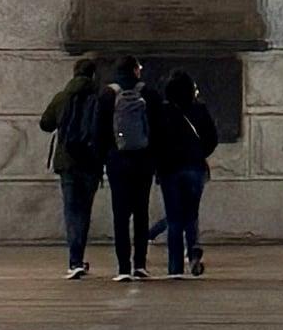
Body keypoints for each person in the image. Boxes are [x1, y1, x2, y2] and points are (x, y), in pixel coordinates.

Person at [43, 57, 112, 276]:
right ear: (93, 74)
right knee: (84, 210)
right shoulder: (100, 98)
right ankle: (79, 258)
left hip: (68, 161)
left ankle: (75, 261)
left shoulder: (62, 97)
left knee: (71, 210)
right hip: (91, 162)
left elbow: (45, 124)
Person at [146, 66, 215, 277]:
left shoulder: (162, 111)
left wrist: (159, 164)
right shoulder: (199, 109)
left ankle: (175, 268)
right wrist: (198, 153)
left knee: (174, 218)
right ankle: (193, 252)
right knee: (191, 214)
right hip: (194, 168)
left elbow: (153, 141)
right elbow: (212, 138)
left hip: (169, 170)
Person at [101, 56, 159, 281]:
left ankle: (123, 267)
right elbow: (158, 128)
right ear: (135, 70)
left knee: (120, 215)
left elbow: (99, 130)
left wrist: (105, 157)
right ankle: (140, 264)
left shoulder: (108, 95)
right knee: (141, 213)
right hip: (143, 161)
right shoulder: (149, 94)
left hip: (117, 161)